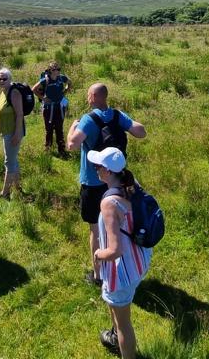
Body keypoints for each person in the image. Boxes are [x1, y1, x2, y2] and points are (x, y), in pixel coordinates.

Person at [67, 83, 146, 286]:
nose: (87, 97)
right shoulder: (118, 115)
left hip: (93, 182)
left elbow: (72, 145)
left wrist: (72, 128)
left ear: (93, 97)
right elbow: (141, 132)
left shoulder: (88, 120)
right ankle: (126, 263)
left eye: (88, 95)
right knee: (118, 224)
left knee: (95, 228)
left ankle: (98, 274)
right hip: (117, 180)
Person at [89, 146, 151, 358]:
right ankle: (115, 335)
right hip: (139, 260)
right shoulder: (132, 184)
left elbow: (115, 251)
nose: (96, 170)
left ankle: (125, 350)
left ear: (107, 171)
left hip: (121, 272)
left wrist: (97, 255)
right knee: (117, 310)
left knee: (124, 323)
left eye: (98, 166)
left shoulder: (109, 203)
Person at [0, 67, 25, 199]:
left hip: (13, 132)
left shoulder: (14, 93)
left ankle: (5, 193)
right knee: (13, 160)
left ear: (10, 79)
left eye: (4, 78)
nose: (1, 81)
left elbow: (19, 114)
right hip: (7, 131)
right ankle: (18, 188)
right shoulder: (3, 91)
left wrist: (17, 134)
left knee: (9, 162)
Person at [32, 61, 71, 158]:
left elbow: (69, 83)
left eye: (59, 69)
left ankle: (61, 149)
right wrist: (43, 98)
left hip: (59, 107)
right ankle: (48, 148)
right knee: (49, 129)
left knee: (59, 128)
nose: (57, 71)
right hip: (49, 108)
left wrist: (65, 91)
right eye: (55, 69)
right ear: (50, 71)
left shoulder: (62, 78)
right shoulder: (45, 80)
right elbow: (34, 89)